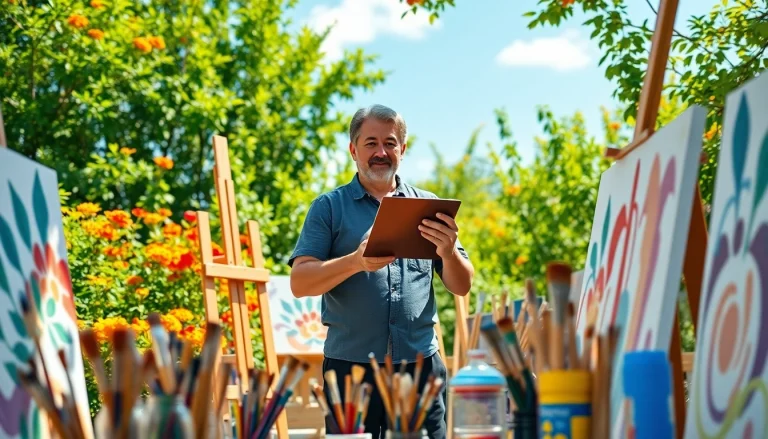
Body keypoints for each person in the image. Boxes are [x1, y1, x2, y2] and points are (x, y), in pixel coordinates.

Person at [288, 104, 474, 438]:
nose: (381, 152)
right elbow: (300, 282)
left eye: (390, 143)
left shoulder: (428, 207)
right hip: (351, 374)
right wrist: (355, 262)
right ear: (353, 149)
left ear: (403, 149)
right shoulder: (329, 208)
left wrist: (447, 252)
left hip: (420, 370)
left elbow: (462, 286)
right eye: (371, 143)